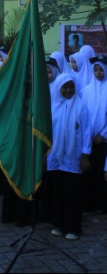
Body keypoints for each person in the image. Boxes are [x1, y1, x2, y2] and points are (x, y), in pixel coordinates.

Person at [46, 73, 91, 240]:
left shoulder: (81, 107)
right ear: (58, 88)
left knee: (72, 193)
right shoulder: (53, 107)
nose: (68, 90)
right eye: (64, 87)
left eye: (71, 86)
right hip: (56, 156)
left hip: (74, 157)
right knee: (58, 192)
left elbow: (86, 132)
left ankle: (73, 227)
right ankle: (58, 224)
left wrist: (85, 156)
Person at [81, 55, 107, 214]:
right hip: (88, 140)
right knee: (89, 172)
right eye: (95, 69)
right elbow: (83, 115)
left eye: (101, 70)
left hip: (104, 141)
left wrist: (103, 134)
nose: (98, 73)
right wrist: (88, 135)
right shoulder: (86, 90)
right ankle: (88, 203)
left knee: (101, 174)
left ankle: (101, 205)